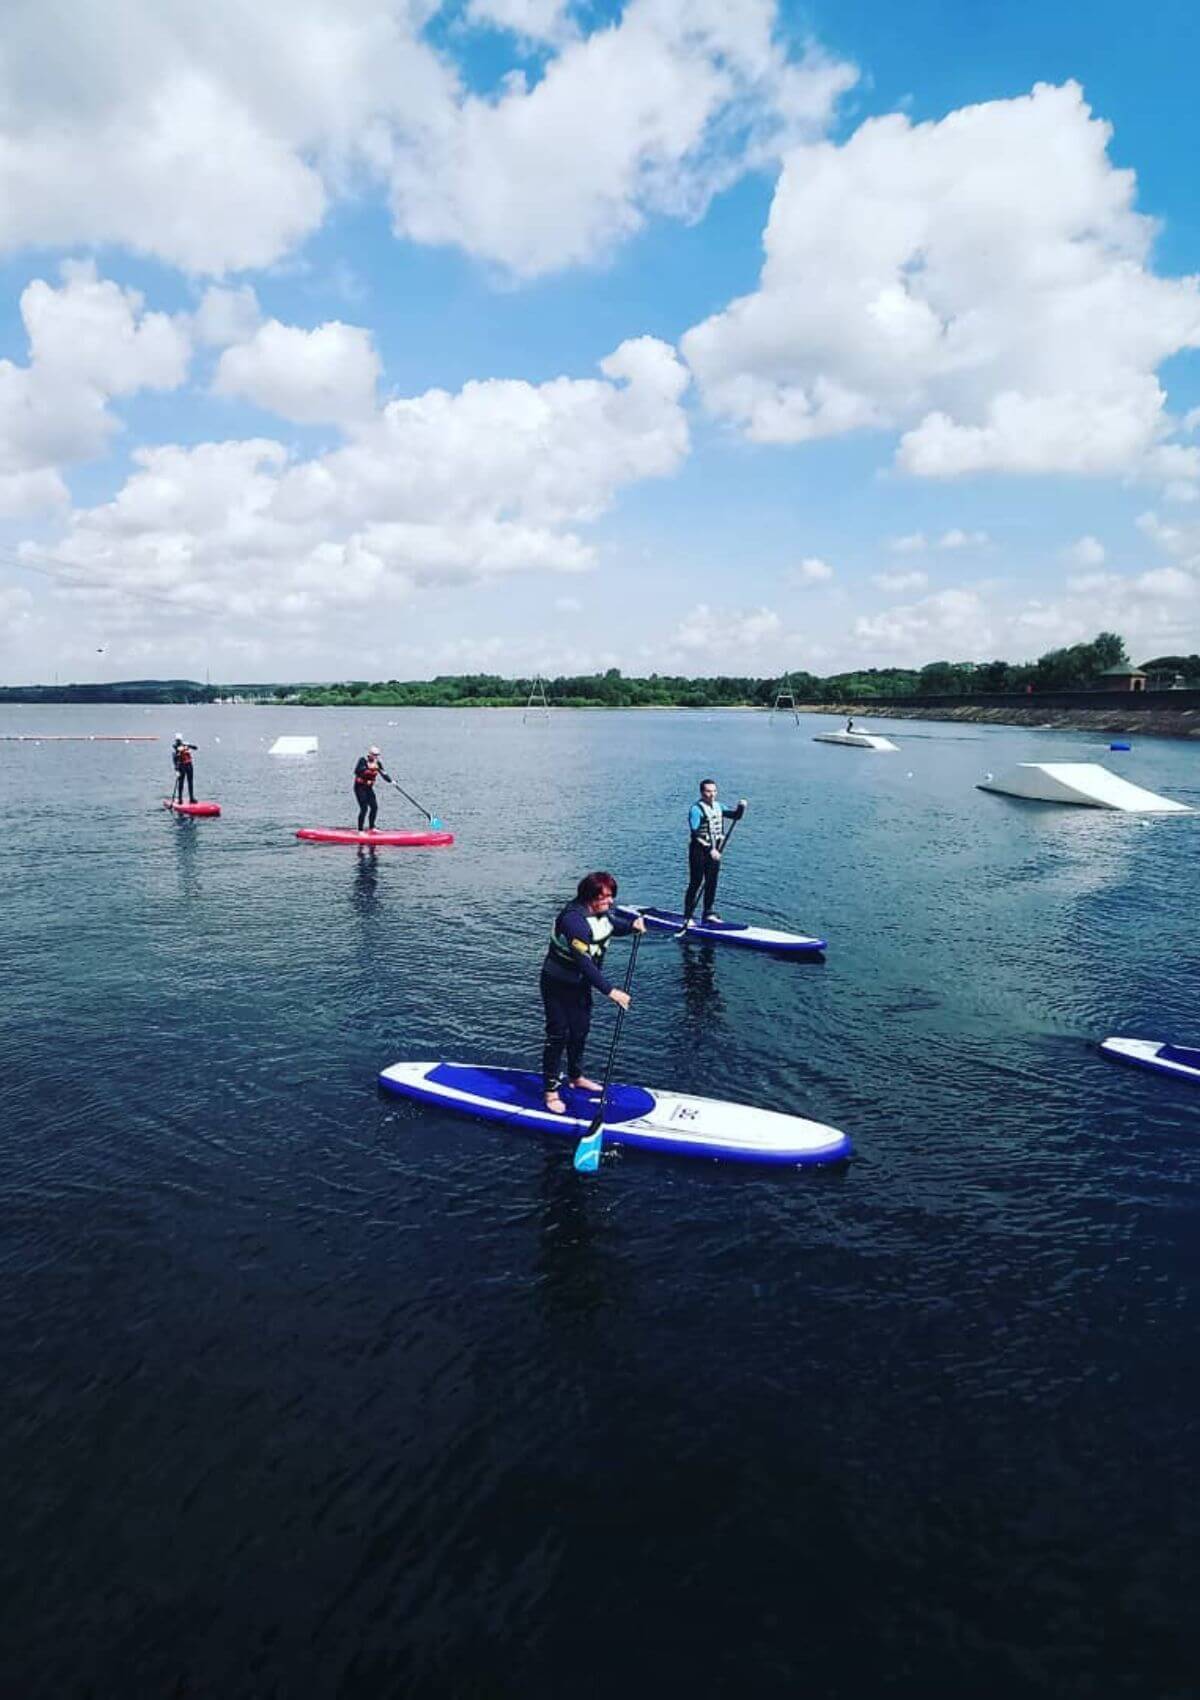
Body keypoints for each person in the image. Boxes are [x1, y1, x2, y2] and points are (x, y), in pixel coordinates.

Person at [541, 871, 645, 1114]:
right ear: (590, 897)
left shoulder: (601, 911)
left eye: (611, 897)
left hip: (580, 985)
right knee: (558, 1035)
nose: (611, 902)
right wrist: (611, 992)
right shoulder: (573, 921)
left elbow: (610, 925)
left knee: (580, 1031)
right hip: (557, 984)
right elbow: (584, 963)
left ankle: (576, 1077)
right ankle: (550, 1091)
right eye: (606, 897)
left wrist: (632, 926)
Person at [685, 779, 746, 925]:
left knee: (712, 882)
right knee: (696, 881)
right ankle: (688, 914)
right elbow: (695, 834)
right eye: (708, 791)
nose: (711, 794)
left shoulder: (719, 807)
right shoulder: (696, 809)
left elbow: (736, 816)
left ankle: (708, 913)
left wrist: (741, 807)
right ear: (702, 792)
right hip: (699, 851)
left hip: (715, 852)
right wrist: (710, 849)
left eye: (714, 791)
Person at [353, 745, 391, 831]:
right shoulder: (362, 760)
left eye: (377, 755)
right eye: (374, 754)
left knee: (374, 807)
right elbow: (357, 771)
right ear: (369, 754)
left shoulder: (378, 763)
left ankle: (372, 827)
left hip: (368, 788)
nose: (375, 756)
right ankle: (360, 830)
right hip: (359, 788)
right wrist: (368, 769)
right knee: (364, 808)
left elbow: (384, 774)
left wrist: (391, 781)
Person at [171, 735, 198, 803]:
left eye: (179, 740)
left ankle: (191, 798)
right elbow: (175, 758)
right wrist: (176, 770)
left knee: (190, 782)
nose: (178, 741)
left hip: (189, 765)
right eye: (177, 740)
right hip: (181, 766)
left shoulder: (185, 745)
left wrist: (189, 746)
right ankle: (180, 799)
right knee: (181, 782)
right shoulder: (175, 747)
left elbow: (196, 748)